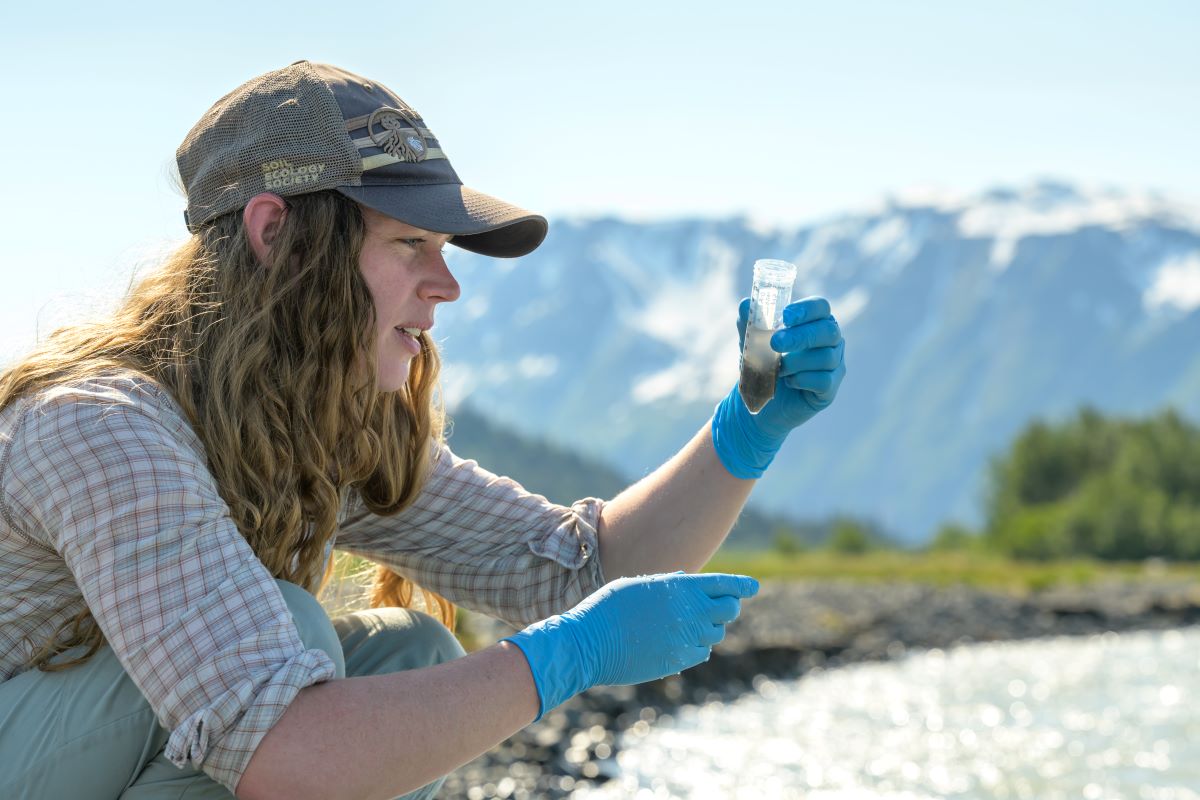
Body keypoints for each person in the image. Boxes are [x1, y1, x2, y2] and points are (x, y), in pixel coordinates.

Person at [0, 61, 846, 800]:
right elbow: (283, 757)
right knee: (291, 638)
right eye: (410, 243)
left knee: (417, 656)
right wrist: (564, 660)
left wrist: (745, 433)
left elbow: (577, 575)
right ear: (276, 235)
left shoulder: (316, 425)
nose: (447, 285)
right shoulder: (101, 430)